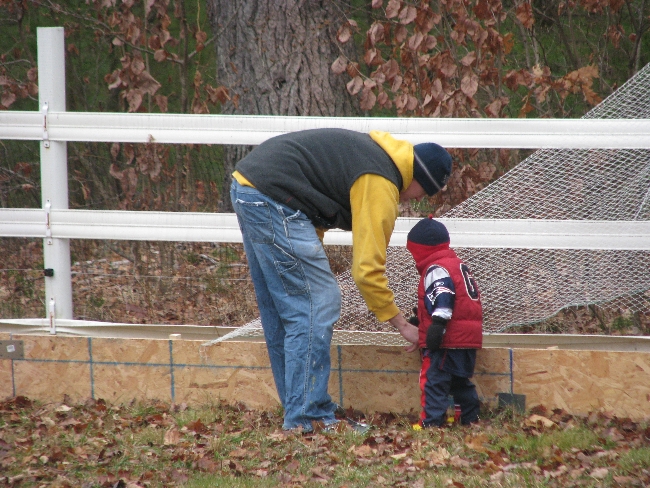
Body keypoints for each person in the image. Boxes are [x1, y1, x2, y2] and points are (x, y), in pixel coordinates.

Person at [230, 128, 452, 432]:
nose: (415, 200)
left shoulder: (375, 155)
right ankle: (309, 416)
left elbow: (313, 205)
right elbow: (367, 270)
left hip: (251, 186)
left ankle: (300, 406)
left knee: (282, 308)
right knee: (318, 301)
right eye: (423, 194)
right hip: (272, 196)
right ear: (420, 182)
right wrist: (401, 324)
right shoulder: (381, 181)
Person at [405, 217, 483, 427]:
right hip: (467, 337)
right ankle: (469, 418)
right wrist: (420, 321)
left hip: (447, 337)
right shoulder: (457, 264)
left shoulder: (436, 268)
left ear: (421, 249)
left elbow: (443, 296)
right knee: (459, 382)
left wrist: (436, 326)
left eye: (413, 252)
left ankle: (431, 422)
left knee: (433, 380)